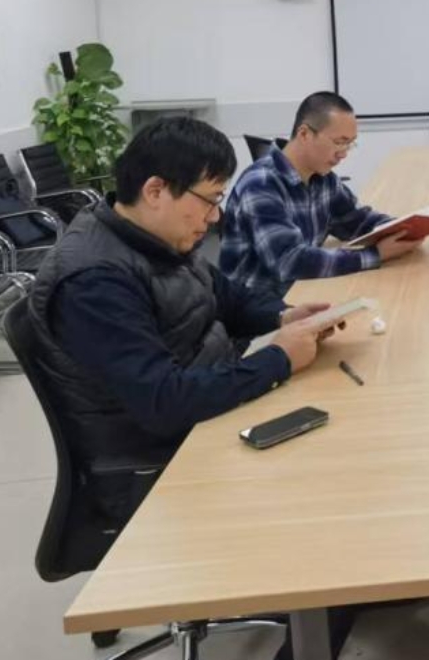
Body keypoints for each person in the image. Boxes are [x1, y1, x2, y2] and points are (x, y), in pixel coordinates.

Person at [22, 116, 350, 660]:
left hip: (203, 416)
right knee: (341, 513)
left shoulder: (150, 236)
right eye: (210, 199)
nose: (216, 217)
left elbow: (222, 295)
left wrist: (285, 314)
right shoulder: (95, 281)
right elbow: (164, 402)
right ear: (156, 190)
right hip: (164, 458)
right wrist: (277, 359)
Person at [221, 91, 420, 303]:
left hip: (301, 291)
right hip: (259, 308)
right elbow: (289, 262)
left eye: (350, 143)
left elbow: (355, 220)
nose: (344, 153)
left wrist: (404, 227)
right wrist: (375, 255)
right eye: (339, 142)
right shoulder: (260, 185)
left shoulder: (323, 178)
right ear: (305, 134)